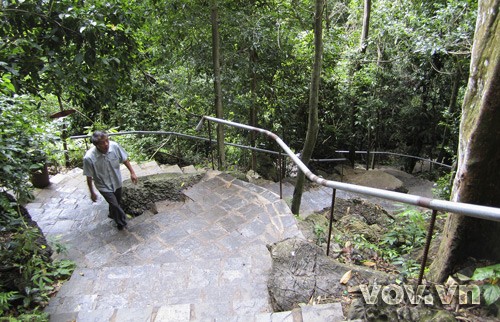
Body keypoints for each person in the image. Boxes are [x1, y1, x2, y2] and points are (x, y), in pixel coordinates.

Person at [83, 131, 138, 230]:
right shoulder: (89, 158)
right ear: (96, 145)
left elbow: (124, 159)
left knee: (116, 201)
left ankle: (112, 214)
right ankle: (122, 222)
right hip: (103, 185)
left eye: (107, 140)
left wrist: (132, 172)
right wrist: (92, 192)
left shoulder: (114, 147)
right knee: (115, 205)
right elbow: (89, 176)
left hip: (116, 181)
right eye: (102, 143)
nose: (106, 144)